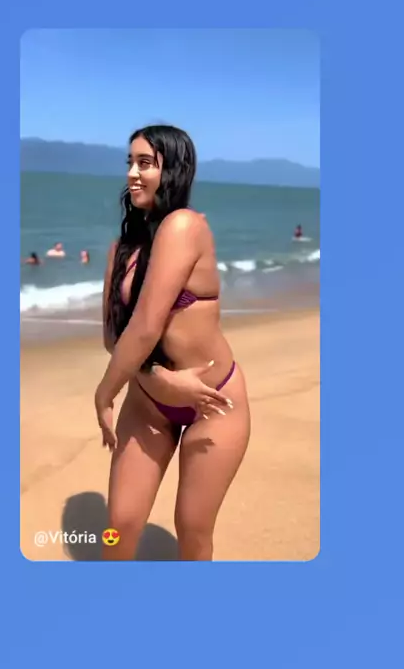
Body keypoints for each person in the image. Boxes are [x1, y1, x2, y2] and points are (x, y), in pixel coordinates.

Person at [95, 124, 251, 561]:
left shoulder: (185, 225)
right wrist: (158, 379)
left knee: (193, 531)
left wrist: (104, 393)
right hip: (149, 403)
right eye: (130, 162)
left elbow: (147, 325)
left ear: (174, 170)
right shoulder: (121, 249)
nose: (132, 173)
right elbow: (113, 335)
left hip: (214, 404)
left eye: (145, 163)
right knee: (118, 526)